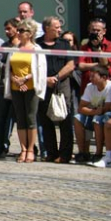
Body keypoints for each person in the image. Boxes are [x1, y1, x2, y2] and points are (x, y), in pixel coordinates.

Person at [4, 19, 48, 163]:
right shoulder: (15, 48)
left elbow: (39, 69)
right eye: (19, 30)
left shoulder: (37, 49)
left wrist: (26, 79)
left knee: (30, 118)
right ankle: (23, 149)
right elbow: (8, 68)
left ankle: (30, 149)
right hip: (16, 87)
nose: (19, 33)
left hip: (31, 87)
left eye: (22, 30)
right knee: (20, 119)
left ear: (30, 34)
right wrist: (15, 79)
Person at [35, 16, 76, 163]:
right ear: (47, 29)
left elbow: (71, 65)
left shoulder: (64, 44)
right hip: (43, 84)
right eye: (56, 27)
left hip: (61, 84)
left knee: (65, 119)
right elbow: (33, 64)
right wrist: (45, 80)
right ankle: (51, 153)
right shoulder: (37, 44)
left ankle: (65, 155)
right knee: (45, 119)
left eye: (60, 27)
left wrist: (57, 77)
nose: (60, 30)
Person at [74, 65, 111, 164]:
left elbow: (108, 107)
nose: (90, 79)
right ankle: (83, 152)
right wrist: (94, 112)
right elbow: (81, 107)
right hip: (94, 112)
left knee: (97, 119)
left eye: (93, 76)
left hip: (106, 115)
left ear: (104, 77)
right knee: (77, 118)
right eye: (90, 76)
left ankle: (98, 153)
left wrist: (95, 112)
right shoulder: (89, 87)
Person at [79, 18, 111, 94]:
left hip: (105, 84)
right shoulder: (84, 47)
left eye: (98, 30)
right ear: (89, 31)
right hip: (87, 85)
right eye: (93, 30)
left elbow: (105, 63)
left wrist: (98, 48)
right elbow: (81, 66)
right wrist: (98, 65)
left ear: (104, 31)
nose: (95, 33)